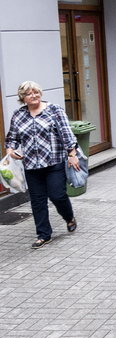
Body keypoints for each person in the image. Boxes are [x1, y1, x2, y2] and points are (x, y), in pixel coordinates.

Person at [5, 81, 80, 249]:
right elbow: (12, 138)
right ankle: (43, 235)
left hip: (54, 161)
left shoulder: (54, 110)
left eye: (37, 92)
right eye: (30, 93)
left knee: (57, 195)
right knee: (37, 201)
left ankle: (69, 217)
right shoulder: (18, 115)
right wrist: (10, 150)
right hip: (31, 165)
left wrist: (72, 154)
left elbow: (67, 133)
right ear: (22, 98)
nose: (35, 95)